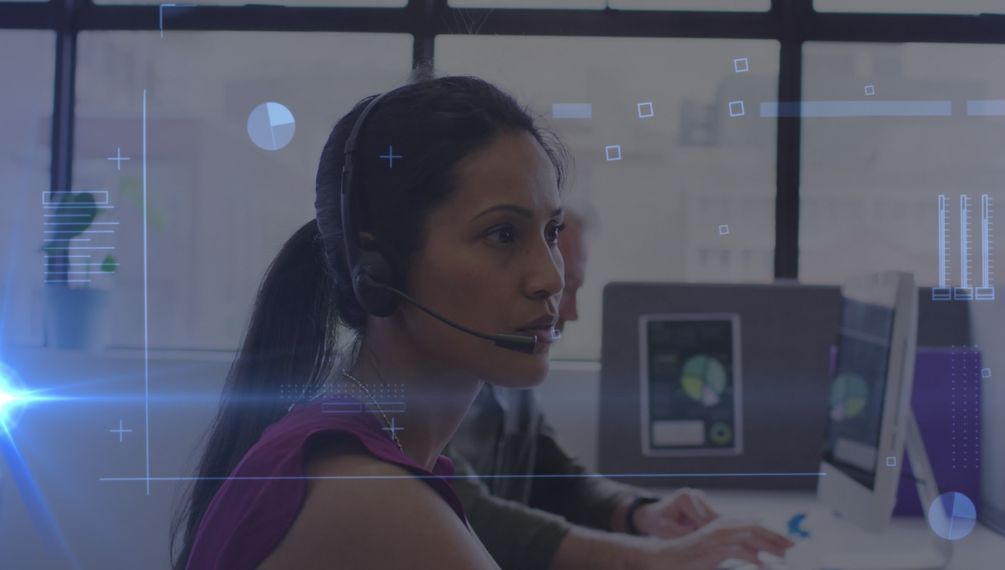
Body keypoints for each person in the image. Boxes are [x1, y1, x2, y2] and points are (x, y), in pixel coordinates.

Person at [171, 74, 791, 570]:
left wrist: (639, 521)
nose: (549, 276)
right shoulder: (371, 495)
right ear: (378, 267)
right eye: (501, 234)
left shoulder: (377, 448)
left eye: (550, 233)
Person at [449, 211, 794, 569]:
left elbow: (552, 473)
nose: (570, 312)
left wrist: (636, 512)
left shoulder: (508, 368)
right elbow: (467, 512)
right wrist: (652, 557)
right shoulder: (413, 399)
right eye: (565, 289)